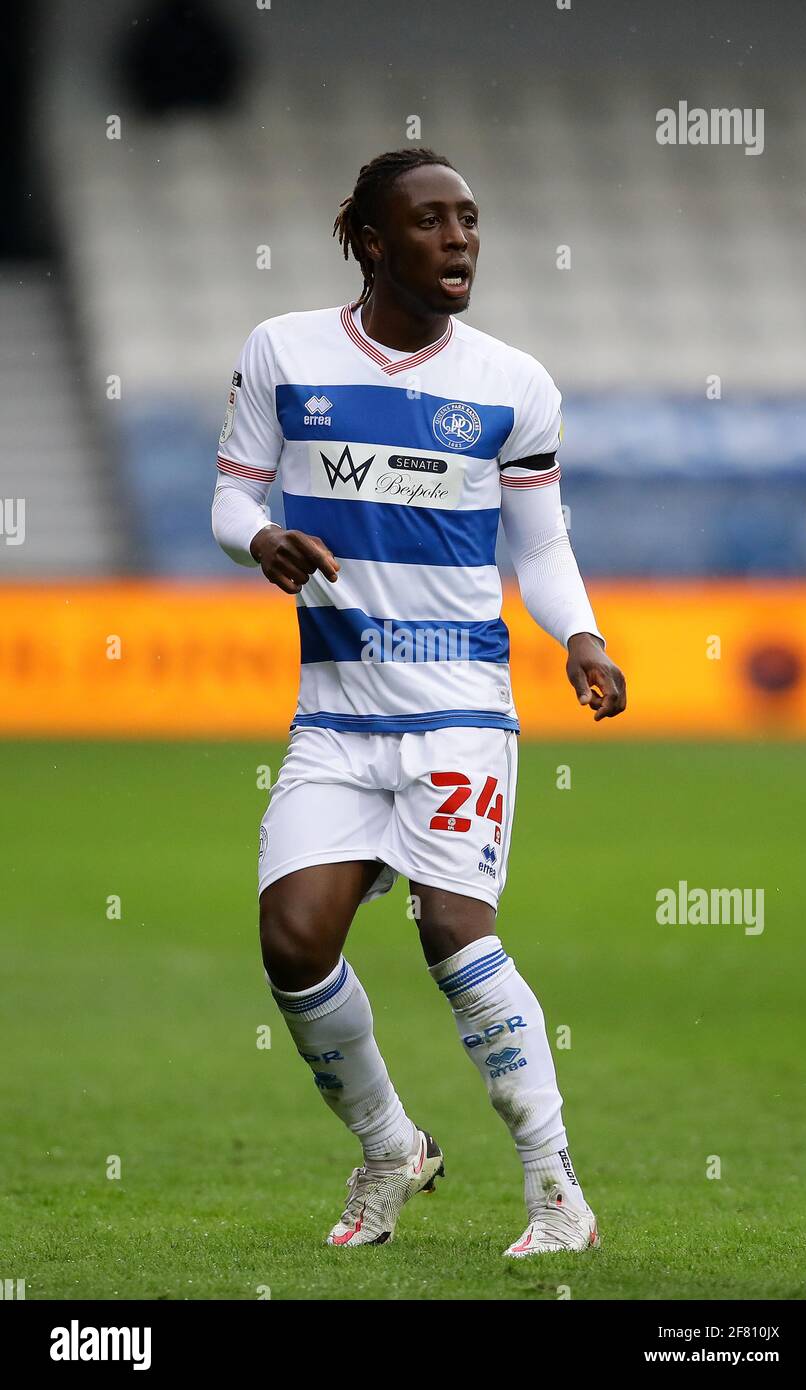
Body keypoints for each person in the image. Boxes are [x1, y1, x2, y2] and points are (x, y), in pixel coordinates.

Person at [211, 148, 626, 1254]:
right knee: (292, 941)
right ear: (370, 240)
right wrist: (260, 539)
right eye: (432, 222)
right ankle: (391, 1146)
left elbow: (541, 543)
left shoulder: (510, 383)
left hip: (459, 705)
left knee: (452, 928)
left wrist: (579, 634)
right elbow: (231, 493)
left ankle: (555, 1191)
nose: (459, 241)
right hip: (337, 713)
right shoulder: (283, 352)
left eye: (470, 221)